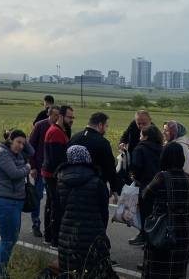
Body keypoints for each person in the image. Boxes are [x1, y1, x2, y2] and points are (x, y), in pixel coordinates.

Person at [57, 145, 118, 279]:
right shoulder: (97, 182)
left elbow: (59, 209)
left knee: (69, 270)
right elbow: (104, 210)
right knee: (93, 270)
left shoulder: (61, 180)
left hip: (67, 235)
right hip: (93, 234)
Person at [0, 130, 34, 278]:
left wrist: (23, 138)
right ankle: (0, 273)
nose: (21, 146)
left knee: (8, 240)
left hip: (14, 202)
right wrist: (28, 168)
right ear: (10, 140)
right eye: (18, 142)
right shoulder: (2, 154)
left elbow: (31, 151)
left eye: (22, 143)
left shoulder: (16, 153)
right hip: (6, 203)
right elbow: (14, 174)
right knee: (8, 241)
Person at [141, 142, 189, 278]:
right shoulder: (188, 179)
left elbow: (145, 195)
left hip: (163, 228)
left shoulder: (162, 177)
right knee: (177, 269)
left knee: (158, 269)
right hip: (182, 229)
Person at [68, 112, 123, 196]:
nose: (106, 129)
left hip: (72, 184)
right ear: (100, 125)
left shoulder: (74, 138)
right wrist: (114, 187)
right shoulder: (102, 142)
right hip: (95, 188)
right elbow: (109, 167)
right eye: (106, 126)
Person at [41, 105, 73, 247]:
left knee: (52, 205)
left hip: (52, 174)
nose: (72, 120)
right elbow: (56, 159)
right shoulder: (56, 132)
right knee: (56, 207)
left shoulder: (61, 131)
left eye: (73, 117)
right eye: (69, 117)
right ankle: (54, 239)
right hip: (53, 175)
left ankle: (49, 236)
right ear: (60, 116)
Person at [128, 124, 164, 246]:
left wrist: (134, 177)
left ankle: (145, 237)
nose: (139, 136)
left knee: (144, 213)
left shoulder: (140, 148)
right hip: (159, 184)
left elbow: (136, 167)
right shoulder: (162, 148)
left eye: (141, 134)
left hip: (145, 185)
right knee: (157, 213)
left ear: (146, 136)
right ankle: (155, 237)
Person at [28, 105, 59, 238]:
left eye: (59, 115)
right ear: (49, 115)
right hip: (40, 169)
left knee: (53, 199)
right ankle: (35, 224)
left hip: (55, 172)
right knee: (37, 197)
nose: (57, 118)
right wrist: (33, 166)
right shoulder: (40, 126)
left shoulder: (62, 129)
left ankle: (50, 227)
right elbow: (30, 147)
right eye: (55, 115)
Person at [163, 121, 189, 223]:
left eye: (166, 130)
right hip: (180, 188)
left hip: (179, 189)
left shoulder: (181, 147)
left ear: (174, 132)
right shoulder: (177, 144)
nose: (163, 132)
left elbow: (184, 170)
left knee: (177, 222)